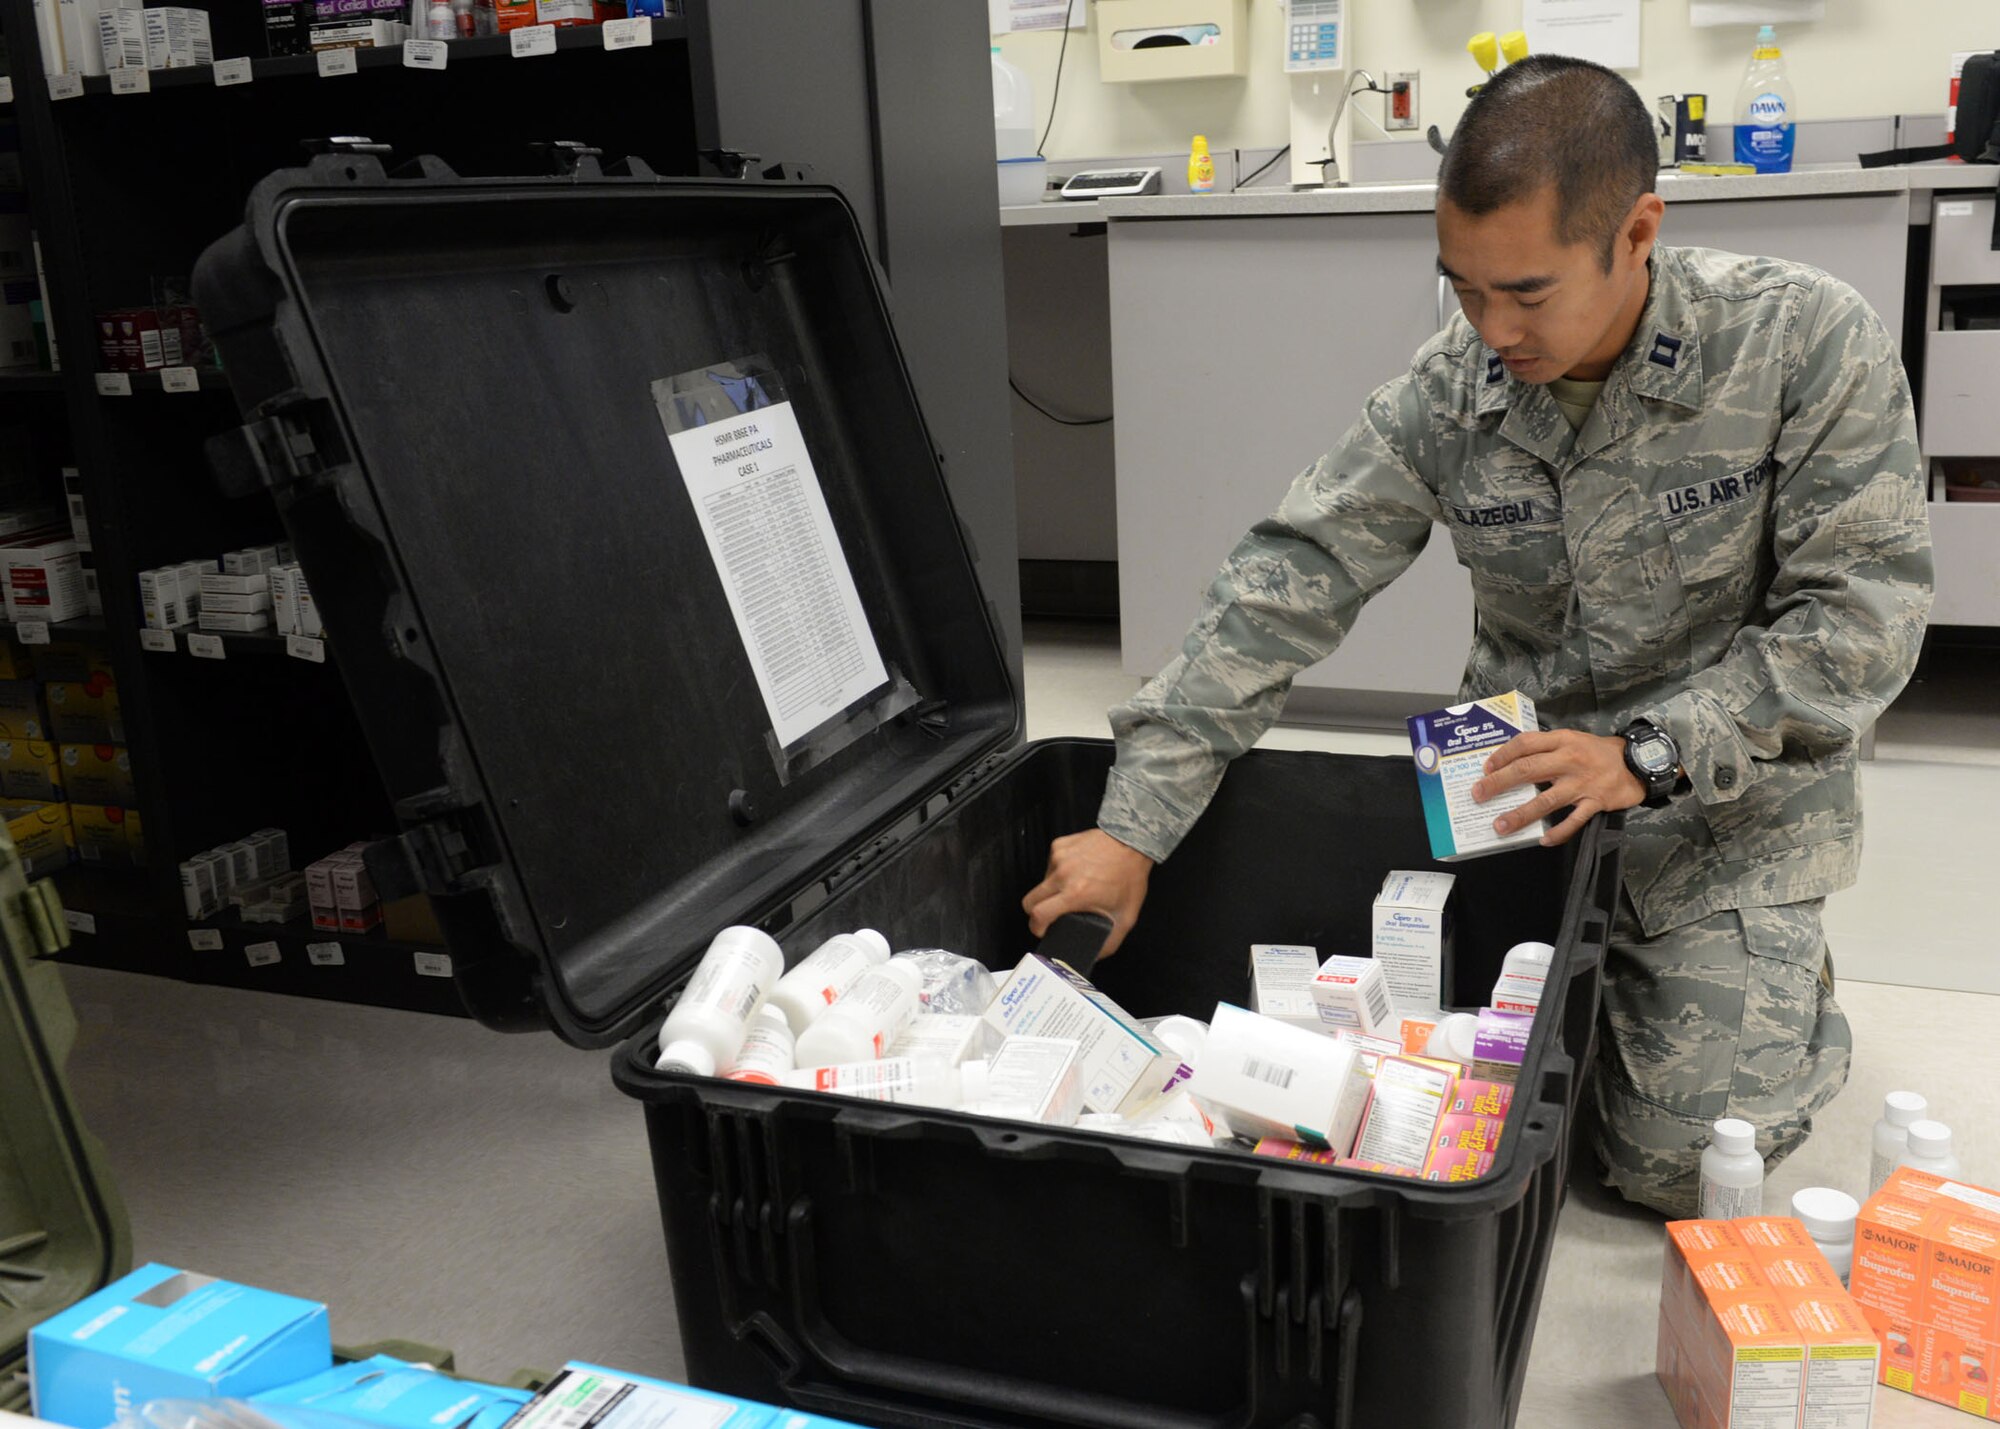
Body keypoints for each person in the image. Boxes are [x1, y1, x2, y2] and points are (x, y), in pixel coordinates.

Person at [1019, 55, 1933, 1216]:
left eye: (1528, 291)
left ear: (1636, 230)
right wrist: (1130, 825)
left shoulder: (1801, 341)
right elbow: (1286, 581)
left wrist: (1645, 752)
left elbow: (1864, 618)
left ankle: (1771, 977)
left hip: (1719, 805)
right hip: (1517, 792)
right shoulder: (1451, 389)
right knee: (1423, 1069)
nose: (1490, 327)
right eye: (1460, 286)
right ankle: (1630, 987)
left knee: (1668, 1162)